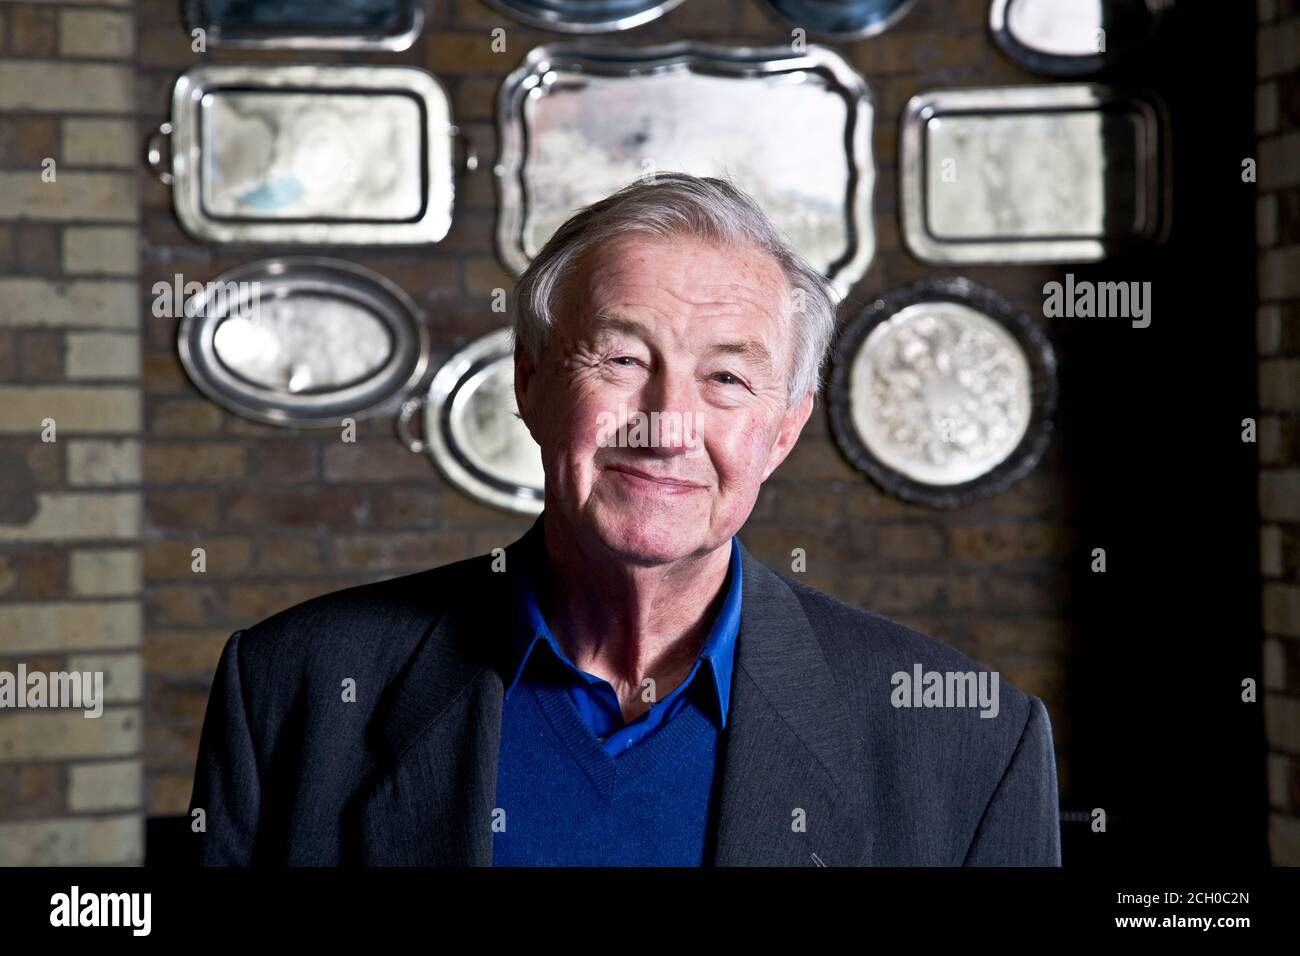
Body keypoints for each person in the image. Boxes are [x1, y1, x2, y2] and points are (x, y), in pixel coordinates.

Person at [190, 172, 1061, 866]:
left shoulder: (969, 742)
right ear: (530, 386)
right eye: (619, 358)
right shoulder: (291, 689)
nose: (666, 424)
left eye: (727, 379)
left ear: (784, 432)